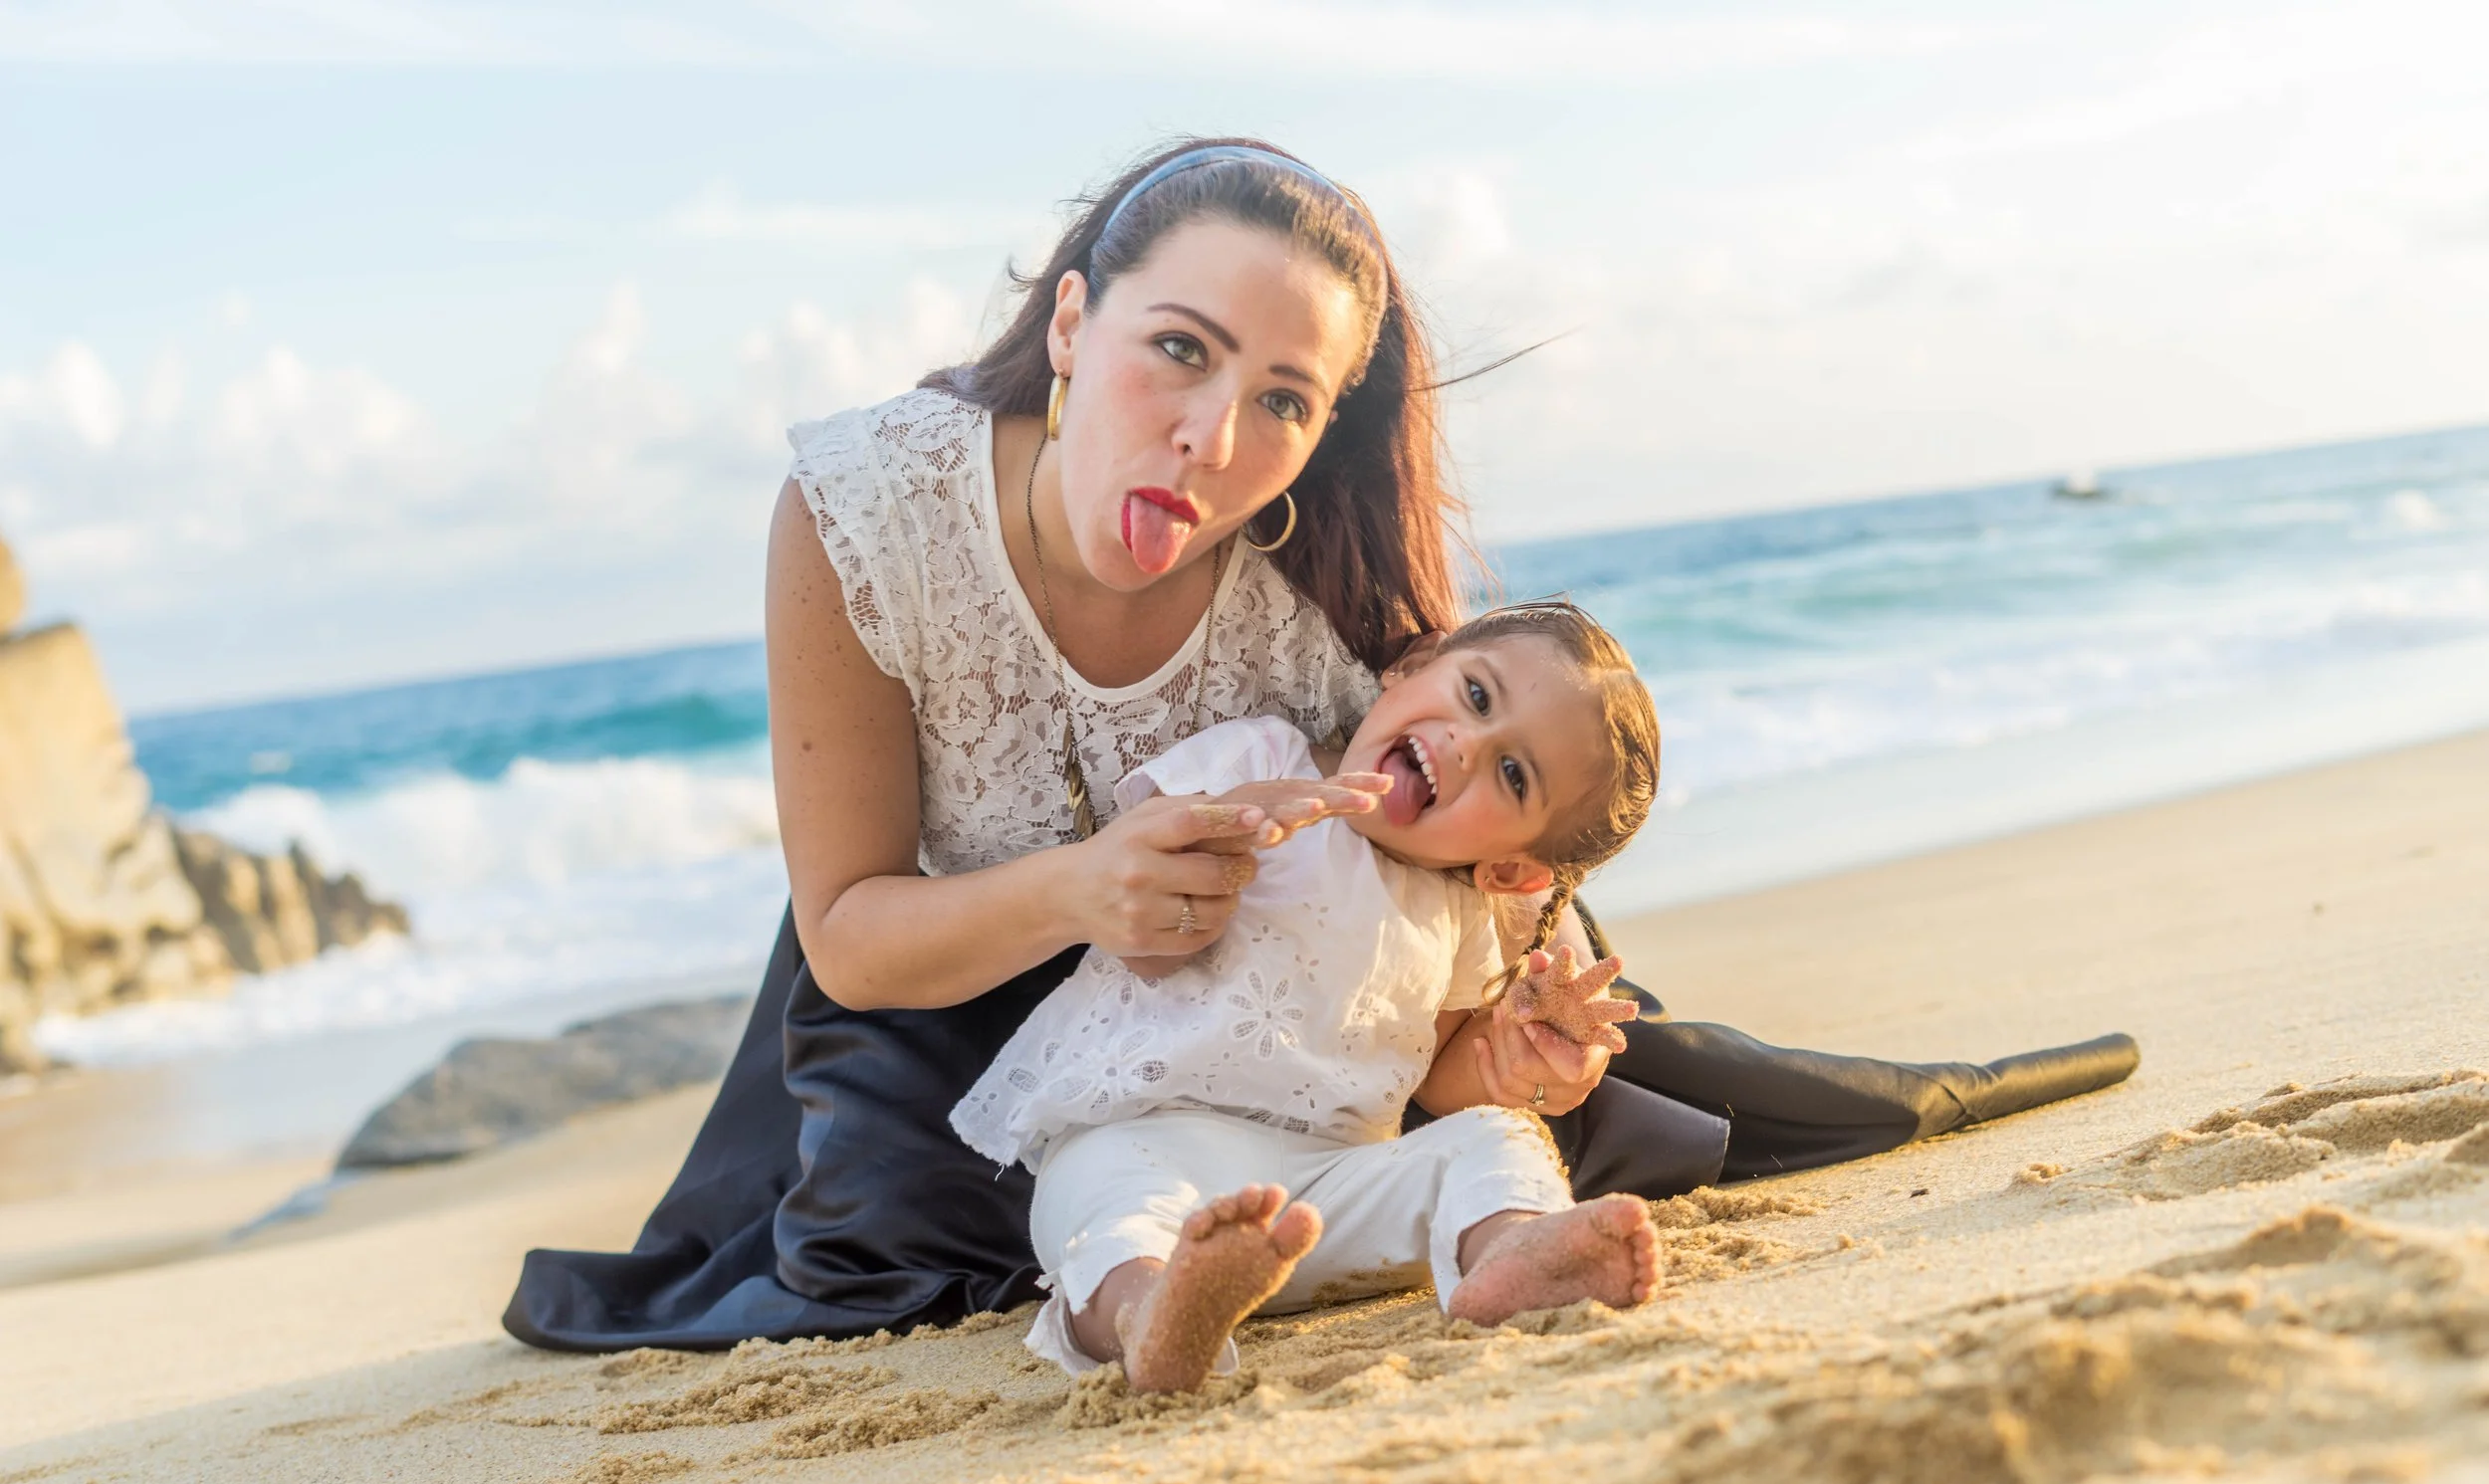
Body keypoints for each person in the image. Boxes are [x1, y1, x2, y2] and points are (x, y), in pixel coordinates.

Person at [504, 139, 2137, 1354]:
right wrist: (1085, 885)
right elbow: (848, 933)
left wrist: (1522, 1023)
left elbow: (1448, 859)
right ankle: (1150, 1284)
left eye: (1285, 398)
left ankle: (1461, 1229)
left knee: (1586, 1098)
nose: (1213, 437)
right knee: (894, 1261)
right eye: (1179, 350)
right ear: (1073, 322)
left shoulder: (1311, 598)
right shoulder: (869, 509)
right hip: (936, 983)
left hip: (1253, 993)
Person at [965, 601, 1663, 1390]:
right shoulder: (1262, 759)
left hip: (1331, 1187)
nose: (1467, 744)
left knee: (1497, 1137)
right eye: (1476, 695)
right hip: (1143, 1132)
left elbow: (1436, 1074)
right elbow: (1138, 932)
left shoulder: (1462, 914)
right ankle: (1152, 1314)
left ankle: (1508, 1252)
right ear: (1411, 668)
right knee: (1107, 1208)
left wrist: (1514, 1054)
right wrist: (1230, 826)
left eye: (1511, 774)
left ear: (1511, 872)